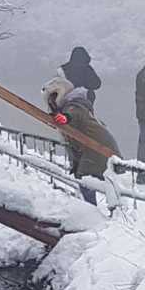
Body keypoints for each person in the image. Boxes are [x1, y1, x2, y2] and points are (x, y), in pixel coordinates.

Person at [43, 72, 114, 205]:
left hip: (98, 148)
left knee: (85, 178)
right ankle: (100, 208)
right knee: (91, 180)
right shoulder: (76, 104)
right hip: (96, 148)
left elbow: (73, 115)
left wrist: (65, 118)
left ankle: (93, 210)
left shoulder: (74, 106)